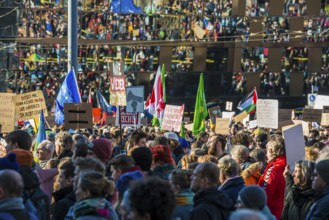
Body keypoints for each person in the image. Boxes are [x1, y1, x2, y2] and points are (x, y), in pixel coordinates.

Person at [258, 134, 286, 219]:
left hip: (272, 214)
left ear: (270, 150)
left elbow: (264, 197)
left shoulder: (274, 170)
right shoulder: (290, 164)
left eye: (266, 151)